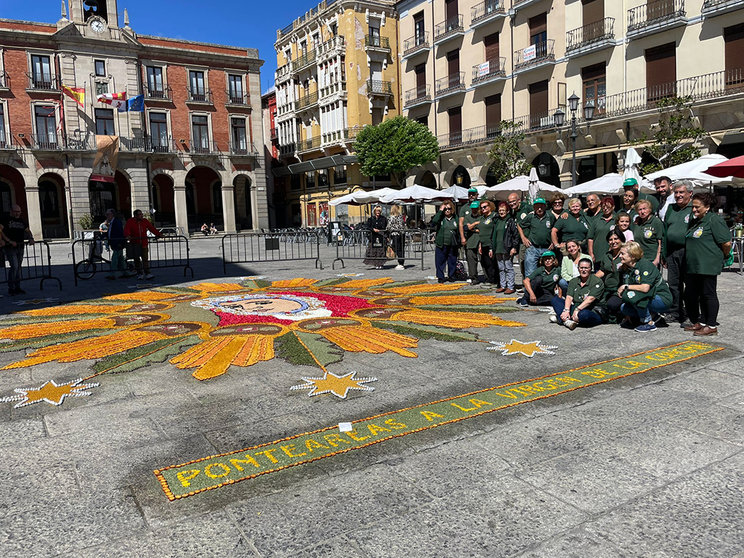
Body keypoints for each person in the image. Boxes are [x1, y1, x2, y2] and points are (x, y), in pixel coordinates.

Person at [682, 192, 732, 337]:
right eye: (693, 207)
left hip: (708, 264)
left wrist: (725, 255)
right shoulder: (697, 220)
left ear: (707, 207)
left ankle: (711, 325)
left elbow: (726, 243)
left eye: (697, 207)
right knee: (699, 294)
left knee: (709, 294)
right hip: (695, 266)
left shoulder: (714, 220)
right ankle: (702, 321)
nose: (694, 210)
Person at [617, 241, 672, 332]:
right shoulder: (628, 267)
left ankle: (648, 322)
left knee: (633, 295)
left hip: (661, 298)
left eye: (622, 254)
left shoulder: (645, 265)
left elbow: (645, 288)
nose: (620, 256)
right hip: (648, 297)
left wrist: (625, 287)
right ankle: (655, 317)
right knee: (624, 308)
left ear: (632, 256)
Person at [663, 180, 693, 324]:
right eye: (676, 192)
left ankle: (690, 313)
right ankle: (675, 311)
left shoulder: (694, 208)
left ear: (690, 193)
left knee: (690, 284)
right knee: (673, 284)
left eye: (682, 192)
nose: (678, 195)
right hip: (672, 252)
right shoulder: (671, 208)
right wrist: (664, 253)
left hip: (688, 251)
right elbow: (664, 231)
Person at [551, 257, 604, 330]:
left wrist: (577, 310)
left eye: (586, 268)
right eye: (581, 268)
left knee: (584, 315)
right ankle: (567, 320)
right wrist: (566, 310)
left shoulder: (597, 281)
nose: (583, 270)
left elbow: (590, 299)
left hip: (590, 310)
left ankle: (561, 319)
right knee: (555, 300)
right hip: (575, 308)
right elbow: (569, 297)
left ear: (591, 269)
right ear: (578, 268)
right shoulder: (574, 281)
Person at [0, 204, 34, 295]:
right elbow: (0, 231)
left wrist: (31, 238)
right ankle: (11, 288)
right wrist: (8, 241)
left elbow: (27, 230)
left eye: (19, 212)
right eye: (16, 212)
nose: (18, 213)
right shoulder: (5, 220)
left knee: (18, 267)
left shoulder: (22, 221)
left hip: (20, 246)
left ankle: (17, 287)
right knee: (14, 266)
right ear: (11, 211)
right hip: (10, 247)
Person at [519, 198, 555, 279]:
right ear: (534, 208)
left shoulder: (550, 216)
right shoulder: (531, 216)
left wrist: (554, 242)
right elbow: (519, 225)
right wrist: (523, 238)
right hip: (533, 248)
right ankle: (529, 290)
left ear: (545, 207)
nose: (539, 209)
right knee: (530, 273)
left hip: (547, 248)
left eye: (541, 206)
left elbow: (555, 230)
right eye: (537, 207)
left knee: (548, 272)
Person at [595, 228, 626, 323]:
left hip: (621, 289)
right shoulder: (607, 255)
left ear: (622, 240)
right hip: (607, 289)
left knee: (611, 304)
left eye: (616, 239)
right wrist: (590, 280)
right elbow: (602, 270)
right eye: (610, 240)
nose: (613, 242)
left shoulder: (626, 255)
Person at [124, 209, 163, 280]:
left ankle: (147, 273)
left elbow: (151, 228)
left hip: (144, 243)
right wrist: (128, 235)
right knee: (136, 259)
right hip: (135, 243)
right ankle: (139, 273)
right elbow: (127, 229)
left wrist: (159, 234)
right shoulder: (130, 221)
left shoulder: (145, 221)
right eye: (139, 214)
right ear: (135, 216)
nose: (141, 215)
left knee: (145, 258)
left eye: (141, 214)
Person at [493, 201, 519, 294]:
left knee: (508, 268)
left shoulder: (510, 221)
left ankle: (511, 286)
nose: (501, 212)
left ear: (507, 211)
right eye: (500, 210)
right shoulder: (497, 221)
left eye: (503, 210)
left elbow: (516, 235)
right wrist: (492, 248)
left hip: (507, 248)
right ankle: (503, 285)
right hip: (498, 248)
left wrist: (514, 247)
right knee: (501, 268)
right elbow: (494, 235)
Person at [432, 200, 459, 283]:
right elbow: (434, 222)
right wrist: (440, 210)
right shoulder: (440, 218)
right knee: (440, 261)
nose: (447, 210)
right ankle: (440, 276)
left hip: (452, 243)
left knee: (452, 260)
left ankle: (452, 275)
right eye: (445, 209)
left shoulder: (455, 218)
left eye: (449, 208)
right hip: (442, 243)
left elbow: (459, 228)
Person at [507, 191, 531, 282]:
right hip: (520, 242)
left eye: (513, 201)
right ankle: (525, 284)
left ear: (519, 200)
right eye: (510, 202)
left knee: (529, 264)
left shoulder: (527, 208)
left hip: (529, 240)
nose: (512, 203)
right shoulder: (513, 212)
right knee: (522, 264)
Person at [587, 196, 616, 269]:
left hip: (612, 254)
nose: (605, 209)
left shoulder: (616, 220)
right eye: (603, 207)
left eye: (608, 207)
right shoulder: (596, 221)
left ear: (613, 207)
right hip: (598, 255)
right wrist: (591, 253)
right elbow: (590, 238)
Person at [632, 199, 663, 266]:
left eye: (644, 209)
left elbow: (660, 243)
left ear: (650, 209)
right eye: (640, 209)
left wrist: (657, 259)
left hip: (651, 259)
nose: (642, 212)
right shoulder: (636, 223)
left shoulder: (656, 222)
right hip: (639, 259)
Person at [476, 200, 498, 286]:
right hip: (483, 243)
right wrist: (480, 245)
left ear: (490, 207)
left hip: (491, 243)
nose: (483, 209)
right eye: (481, 208)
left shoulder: (494, 216)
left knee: (492, 263)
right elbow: (481, 231)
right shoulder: (482, 218)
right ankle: (489, 279)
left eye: (485, 207)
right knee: (485, 262)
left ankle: (494, 280)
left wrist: (491, 247)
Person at [104, 209, 129, 280]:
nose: (107, 216)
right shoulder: (112, 222)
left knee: (114, 259)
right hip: (115, 243)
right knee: (121, 259)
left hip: (117, 244)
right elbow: (109, 232)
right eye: (106, 214)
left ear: (112, 215)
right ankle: (125, 273)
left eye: (108, 214)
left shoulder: (116, 222)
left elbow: (120, 233)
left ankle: (112, 274)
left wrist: (119, 243)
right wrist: (101, 236)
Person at [460, 200, 481, 284]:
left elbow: (483, 227)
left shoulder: (482, 216)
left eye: (476, 208)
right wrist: (476, 224)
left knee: (484, 260)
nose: (474, 210)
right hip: (470, 241)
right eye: (472, 209)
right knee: (471, 260)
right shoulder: (468, 217)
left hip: (480, 240)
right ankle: (473, 277)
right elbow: (466, 227)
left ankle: (488, 277)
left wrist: (473, 227)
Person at [363, 205, 388, 269]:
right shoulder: (371, 219)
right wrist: (373, 229)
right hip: (373, 236)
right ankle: (376, 264)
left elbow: (386, 227)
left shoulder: (384, 218)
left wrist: (386, 235)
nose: (378, 212)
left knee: (381, 250)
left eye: (379, 211)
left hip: (381, 236)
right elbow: (367, 226)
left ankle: (381, 264)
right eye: (377, 211)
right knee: (374, 250)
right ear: (374, 211)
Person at [386, 204, 406, 270]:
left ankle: (400, 263)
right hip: (402, 234)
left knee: (397, 248)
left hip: (395, 234)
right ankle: (401, 262)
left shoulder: (391, 217)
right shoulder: (400, 216)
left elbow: (388, 227)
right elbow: (402, 225)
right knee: (401, 248)